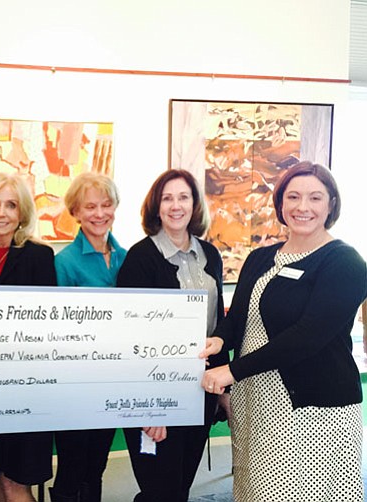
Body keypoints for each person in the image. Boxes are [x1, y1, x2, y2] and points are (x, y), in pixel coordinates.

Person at [201, 161, 367, 502]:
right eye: (293, 197)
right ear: (280, 203)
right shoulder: (261, 258)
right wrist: (218, 339)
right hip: (256, 399)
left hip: (314, 410)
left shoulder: (346, 263)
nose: (302, 207)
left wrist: (230, 370)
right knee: (255, 489)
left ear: (331, 204)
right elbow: (239, 318)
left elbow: (307, 337)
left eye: (315, 198)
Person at [116, 169, 226, 502]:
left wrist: (223, 389)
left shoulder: (211, 255)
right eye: (167, 198)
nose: (175, 206)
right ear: (156, 206)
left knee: (179, 487)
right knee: (158, 488)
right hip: (156, 391)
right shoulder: (140, 258)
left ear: (195, 205)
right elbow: (129, 337)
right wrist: (149, 407)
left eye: (183, 197)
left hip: (200, 388)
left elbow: (216, 325)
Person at [0, 172, 57, 502]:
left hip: (23, 390)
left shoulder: (38, 256)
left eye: (10, 205)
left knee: (15, 484)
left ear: (22, 214)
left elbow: (44, 327)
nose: (1, 213)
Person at [51, 172, 126, 502]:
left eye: (106, 205)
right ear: (76, 213)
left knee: (97, 463)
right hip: (76, 383)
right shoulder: (64, 262)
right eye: (90, 206)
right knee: (71, 465)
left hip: (114, 379)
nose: (99, 214)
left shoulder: (129, 257)